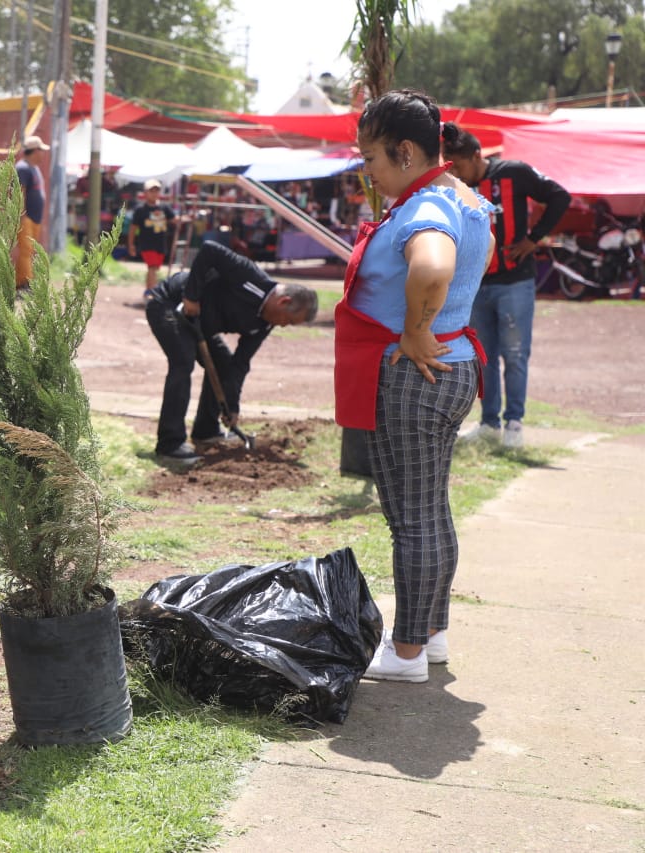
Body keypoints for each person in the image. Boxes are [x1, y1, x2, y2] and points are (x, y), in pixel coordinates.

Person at [335, 90, 495, 683]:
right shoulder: (469, 199)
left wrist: (416, 331)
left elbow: (431, 264)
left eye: (371, 157)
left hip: (415, 375)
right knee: (431, 512)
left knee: (412, 520)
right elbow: (485, 256)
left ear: (405, 152)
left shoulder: (426, 206)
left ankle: (404, 653)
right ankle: (431, 635)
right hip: (449, 369)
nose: (366, 171)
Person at [442, 127, 571, 449]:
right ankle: (489, 424)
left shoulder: (514, 172)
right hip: (476, 286)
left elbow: (559, 196)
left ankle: (514, 423)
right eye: (449, 166)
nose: (454, 172)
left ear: (476, 156)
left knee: (514, 355)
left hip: (515, 282)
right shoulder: (453, 187)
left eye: (458, 165)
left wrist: (533, 239)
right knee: (483, 357)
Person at [145, 240, 318, 460]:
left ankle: (206, 432)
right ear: (284, 302)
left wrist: (232, 406)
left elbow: (240, 364)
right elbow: (209, 249)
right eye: (289, 321)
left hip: (201, 325)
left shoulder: (265, 323)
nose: (284, 326)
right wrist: (191, 296)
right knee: (183, 362)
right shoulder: (250, 277)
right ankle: (169, 444)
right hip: (169, 305)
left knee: (224, 366)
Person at [127, 179, 176, 294]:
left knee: (154, 268)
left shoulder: (165, 208)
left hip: (160, 244)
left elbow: (174, 220)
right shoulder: (140, 210)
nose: (154, 193)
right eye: (151, 191)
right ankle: (152, 292)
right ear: (145, 193)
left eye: (156, 191)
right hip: (147, 244)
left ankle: (149, 290)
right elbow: (133, 228)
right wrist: (131, 244)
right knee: (152, 267)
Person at [14, 134, 49, 291]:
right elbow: (19, 192)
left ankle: (28, 280)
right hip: (26, 217)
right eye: (41, 150)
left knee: (30, 250)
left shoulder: (33, 168)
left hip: (34, 218)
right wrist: (20, 216)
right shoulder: (22, 168)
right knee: (26, 250)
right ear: (34, 151)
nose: (43, 153)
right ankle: (23, 284)